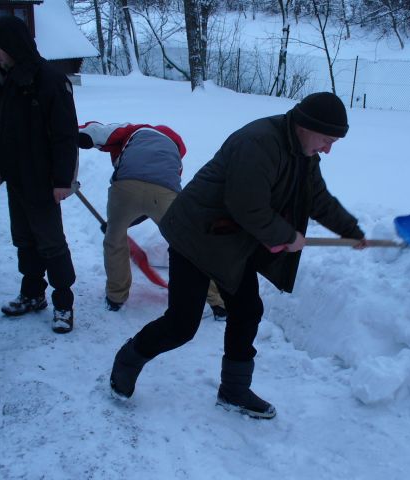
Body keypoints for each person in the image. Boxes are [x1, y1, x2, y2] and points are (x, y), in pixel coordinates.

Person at [109, 92, 368, 419]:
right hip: (196, 235)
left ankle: (233, 390)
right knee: (182, 324)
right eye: (326, 140)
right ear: (305, 125)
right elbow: (246, 205)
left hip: (230, 241)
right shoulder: (258, 143)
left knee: (247, 310)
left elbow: (316, 197)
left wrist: (350, 229)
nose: (328, 149)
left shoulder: (303, 153)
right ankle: (129, 358)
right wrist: (286, 236)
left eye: (334, 143)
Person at [0, 16, 78, 334]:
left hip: (43, 180)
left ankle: (64, 304)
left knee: (51, 243)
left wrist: (63, 181)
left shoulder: (49, 79)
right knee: (24, 239)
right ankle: (33, 294)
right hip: (17, 178)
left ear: (13, 46)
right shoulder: (9, 79)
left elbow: (65, 135)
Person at [77, 121, 227, 319]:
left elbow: (95, 132)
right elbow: (153, 197)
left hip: (125, 187)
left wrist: (119, 223)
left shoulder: (131, 130)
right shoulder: (175, 148)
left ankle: (116, 297)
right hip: (166, 192)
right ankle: (218, 302)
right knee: (189, 246)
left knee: (115, 241)